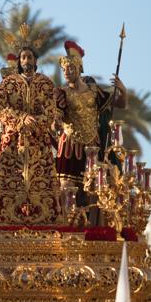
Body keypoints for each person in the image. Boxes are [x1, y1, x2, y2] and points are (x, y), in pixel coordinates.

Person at [0, 40, 62, 226]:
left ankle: (48, 215)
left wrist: (36, 122)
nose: (26, 60)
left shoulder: (46, 84)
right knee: (9, 178)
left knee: (44, 178)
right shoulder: (8, 84)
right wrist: (21, 118)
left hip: (38, 141)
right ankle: (4, 215)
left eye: (29, 56)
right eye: (23, 57)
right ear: (19, 61)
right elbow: (0, 108)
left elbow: (50, 111)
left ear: (35, 59)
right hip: (14, 141)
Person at [55, 40, 127, 208]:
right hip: (70, 146)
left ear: (79, 68)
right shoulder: (61, 93)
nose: (66, 72)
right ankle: (68, 227)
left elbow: (120, 104)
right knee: (67, 189)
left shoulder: (94, 91)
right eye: (64, 69)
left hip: (92, 147)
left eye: (70, 68)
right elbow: (57, 115)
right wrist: (56, 123)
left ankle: (90, 227)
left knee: (93, 190)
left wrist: (123, 90)